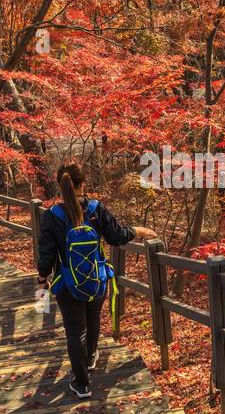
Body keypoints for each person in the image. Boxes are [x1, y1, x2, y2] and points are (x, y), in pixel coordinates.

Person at [37, 163, 156, 398]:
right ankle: (90, 357)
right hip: (96, 279)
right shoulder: (94, 208)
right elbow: (117, 235)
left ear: (60, 185)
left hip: (67, 284)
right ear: (83, 184)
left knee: (74, 331)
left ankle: (81, 384)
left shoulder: (52, 216)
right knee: (92, 321)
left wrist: (42, 279)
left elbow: (46, 253)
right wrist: (139, 230)